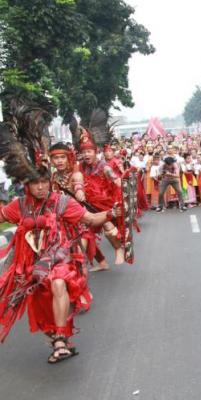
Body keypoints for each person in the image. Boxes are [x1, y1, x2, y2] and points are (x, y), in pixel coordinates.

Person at [0, 107, 119, 363]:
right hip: (32, 267)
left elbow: (90, 218)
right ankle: (57, 339)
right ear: (27, 184)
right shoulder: (19, 206)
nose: (41, 187)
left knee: (58, 282)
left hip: (62, 258)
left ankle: (63, 339)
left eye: (44, 181)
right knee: (44, 307)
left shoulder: (63, 202)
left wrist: (112, 213)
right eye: (35, 182)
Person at [74, 124, 126, 268]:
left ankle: (118, 249)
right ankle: (100, 263)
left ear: (95, 152)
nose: (86, 154)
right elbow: (77, 180)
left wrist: (121, 184)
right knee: (84, 234)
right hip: (85, 205)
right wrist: (79, 190)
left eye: (89, 151)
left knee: (108, 227)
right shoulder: (80, 166)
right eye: (84, 152)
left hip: (103, 204)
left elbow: (114, 178)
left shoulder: (104, 166)